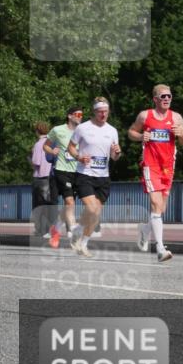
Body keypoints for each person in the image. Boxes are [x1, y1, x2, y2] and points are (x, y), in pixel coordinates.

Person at [127, 85, 183, 263]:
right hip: (150, 164)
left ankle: (145, 230)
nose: (167, 99)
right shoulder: (145, 116)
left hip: (168, 166)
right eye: (163, 96)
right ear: (155, 99)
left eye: (169, 96)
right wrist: (140, 137)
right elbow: (131, 132)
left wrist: (182, 133)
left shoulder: (176, 117)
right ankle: (160, 248)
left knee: (161, 209)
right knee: (155, 203)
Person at [66, 98, 121, 258]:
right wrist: (78, 157)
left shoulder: (112, 130)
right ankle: (78, 234)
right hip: (85, 174)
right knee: (91, 209)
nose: (103, 114)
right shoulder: (83, 128)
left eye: (105, 111)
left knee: (96, 214)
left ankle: (82, 243)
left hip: (103, 176)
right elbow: (70, 147)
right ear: (94, 112)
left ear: (108, 111)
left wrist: (117, 153)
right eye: (99, 111)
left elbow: (115, 156)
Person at [43, 107, 83, 248]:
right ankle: (73, 231)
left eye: (81, 115)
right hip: (61, 170)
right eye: (78, 114)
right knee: (70, 202)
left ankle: (56, 228)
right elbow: (45, 146)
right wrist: (52, 151)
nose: (80, 117)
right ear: (69, 116)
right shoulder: (58, 130)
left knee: (68, 205)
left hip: (77, 172)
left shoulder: (83, 131)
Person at [30, 121, 54, 237]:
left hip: (40, 178)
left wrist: (30, 160)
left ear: (37, 131)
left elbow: (36, 162)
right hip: (52, 177)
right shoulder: (52, 142)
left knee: (38, 205)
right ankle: (49, 229)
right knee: (49, 204)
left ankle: (40, 229)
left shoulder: (38, 144)